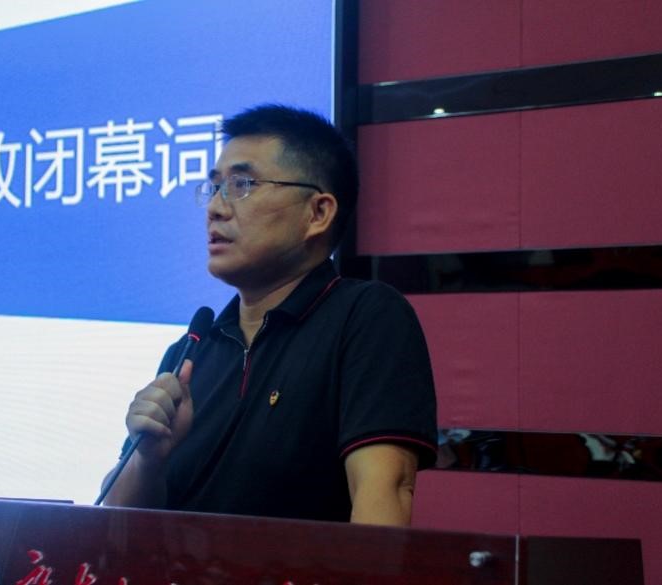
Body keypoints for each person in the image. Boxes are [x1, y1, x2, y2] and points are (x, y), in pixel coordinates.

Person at [101, 104, 437, 526]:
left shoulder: (365, 317)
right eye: (214, 187)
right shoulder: (191, 352)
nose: (215, 207)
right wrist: (149, 458)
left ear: (318, 213)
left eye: (242, 185)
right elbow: (116, 526)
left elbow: (383, 495)